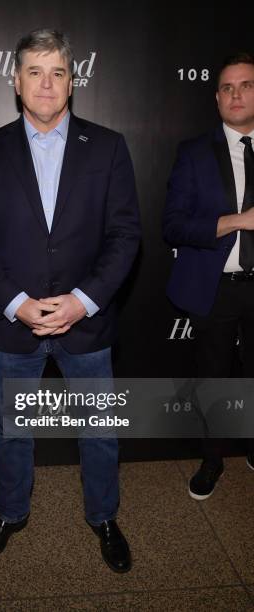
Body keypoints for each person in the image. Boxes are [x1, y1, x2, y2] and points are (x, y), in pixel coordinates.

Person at [0, 29, 140, 572]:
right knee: (12, 429)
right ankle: (10, 514)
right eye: (34, 72)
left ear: (72, 83)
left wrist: (84, 301)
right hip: (16, 324)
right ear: (16, 83)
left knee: (99, 430)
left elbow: (125, 235)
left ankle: (103, 517)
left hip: (86, 323)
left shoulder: (108, 147)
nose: (46, 83)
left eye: (57, 71)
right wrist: (16, 301)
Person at [163, 52, 254, 500]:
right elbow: (173, 225)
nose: (236, 94)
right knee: (213, 379)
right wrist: (238, 221)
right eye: (227, 88)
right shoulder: (194, 153)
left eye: (247, 85)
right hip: (216, 288)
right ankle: (212, 458)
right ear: (217, 98)